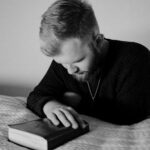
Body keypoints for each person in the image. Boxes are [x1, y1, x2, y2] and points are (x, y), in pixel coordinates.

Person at [27, 0, 150, 128]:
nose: (70, 70)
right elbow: (36, 96)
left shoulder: (135, 56)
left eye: (78, 61)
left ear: (98, 41)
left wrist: (78, 103)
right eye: (62, 63)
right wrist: (52, 106)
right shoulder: (66, 60)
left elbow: (130, 115)